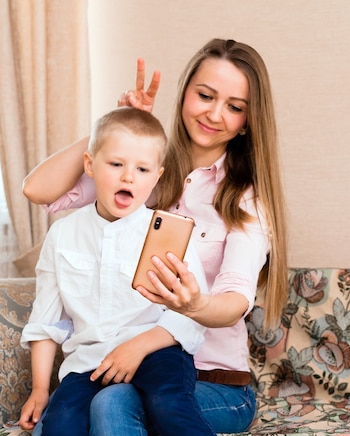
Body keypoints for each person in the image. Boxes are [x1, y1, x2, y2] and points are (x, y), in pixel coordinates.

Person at [22, 38, 288, 434]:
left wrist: (193, 304)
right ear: (185, 94)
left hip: (214, 382)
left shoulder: (245, 200)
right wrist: (114, 124)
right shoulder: (137, 172)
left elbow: (234, 301)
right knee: (96, 401)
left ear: (248, 120)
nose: (214, 114)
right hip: (117, 364)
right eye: (205, 95)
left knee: (114, 401)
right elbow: (37, 189)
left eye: (234, 107)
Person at [18, 106, 215, 436]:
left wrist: (140, 346)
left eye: (142, 169)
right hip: (88, 364)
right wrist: (40, 390)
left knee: (167, 404)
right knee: (60, 425)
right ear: (89, 165)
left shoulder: (169, 234)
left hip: (156, 351)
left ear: (157, 176)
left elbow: (191, 313)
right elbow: (45, 321)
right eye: (116, 164)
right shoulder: (63, 235)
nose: (128, 177)